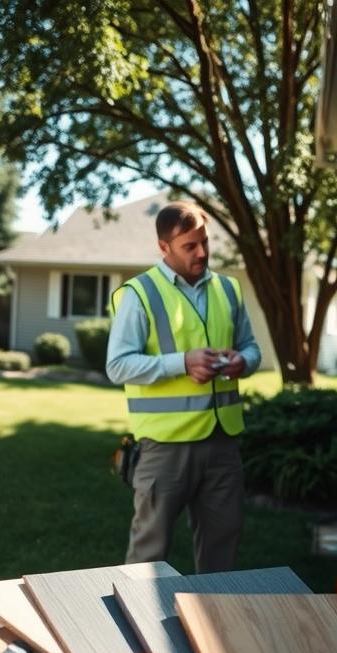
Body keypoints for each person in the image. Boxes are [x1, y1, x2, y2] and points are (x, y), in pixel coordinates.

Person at [106, 200, 261, 573]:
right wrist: (182, 363)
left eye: (204, 242)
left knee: (222, 546)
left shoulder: (228, 289)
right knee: (149, 551)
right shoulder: (139, 293)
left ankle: (212, 627)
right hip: (165, 447)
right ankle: (136, 626)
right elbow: (117, 365)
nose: (202, 252)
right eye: (189, 246)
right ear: (164, 247)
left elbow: (252, 349)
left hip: (222, 443)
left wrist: (243, 362)